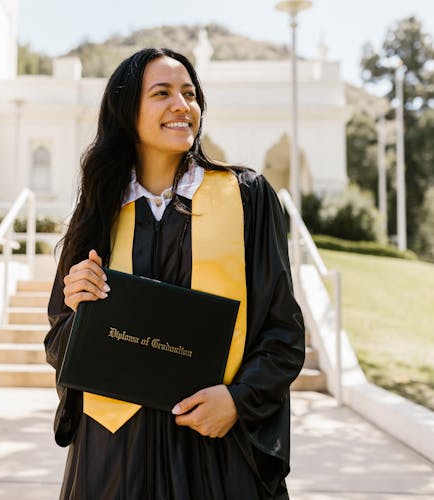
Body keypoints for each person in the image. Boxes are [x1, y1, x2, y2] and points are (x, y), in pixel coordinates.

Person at [45, 47, 305, 500]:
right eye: (161, 93)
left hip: (216, 453)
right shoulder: (100, 209)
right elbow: (59, 343)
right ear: (128, 111)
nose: (181, 105)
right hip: (115, 457)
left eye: (189, 93)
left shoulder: (245, 197)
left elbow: (283, 332)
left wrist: (238, 401)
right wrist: (78, 309)